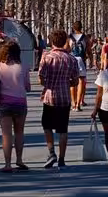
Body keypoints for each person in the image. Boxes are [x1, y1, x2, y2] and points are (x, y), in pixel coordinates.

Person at [0, 40, 31, 173]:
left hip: (4, 103)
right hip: (20, 103)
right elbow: (28, 87)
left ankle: (7, 164)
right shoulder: (24, 66)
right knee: (19, 132)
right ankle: (19, 159)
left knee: (6, 134)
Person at [39, 29, 79, 169]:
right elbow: (75, 81)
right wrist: (66, 82)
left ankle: (51, 152)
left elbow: (41, 78)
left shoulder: (47, 57)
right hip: (64, 98)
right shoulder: (72, 59)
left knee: (47, 126)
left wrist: (48, 83)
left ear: (52, 41)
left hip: (49, 97)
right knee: (63, 129)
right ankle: (62, 159)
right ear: (65, 42)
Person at [67, 22, 88, 112]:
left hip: (72, 60)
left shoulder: (70, 37)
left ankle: (73, 103)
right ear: (81, 27)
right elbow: (89, 50)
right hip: (81, 60)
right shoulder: (85, 37)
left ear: (73, 28)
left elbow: (66, 48)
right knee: (81, 82)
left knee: (72, 82)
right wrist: (90, 59)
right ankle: (78, 104)